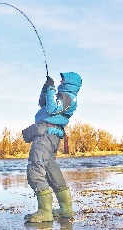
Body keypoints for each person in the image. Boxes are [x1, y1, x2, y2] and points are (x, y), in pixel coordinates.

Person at [22, 72, 82, 223]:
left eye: (63, 79)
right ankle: (66, 209)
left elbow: (51, 109)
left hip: (46, 136)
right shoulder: (63, 95)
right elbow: (43, 104)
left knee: (35, 170)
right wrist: (46, 89)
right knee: (51, 170)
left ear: (70, 82)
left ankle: (45, 211)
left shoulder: (68, 97)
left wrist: (51, 90)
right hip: (50, 135)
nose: (61, 80)